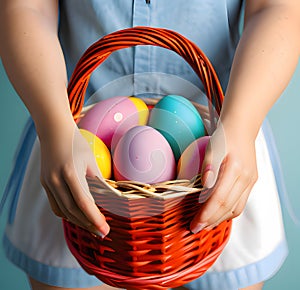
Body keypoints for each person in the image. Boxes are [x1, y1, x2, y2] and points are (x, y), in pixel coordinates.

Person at [0, 0, 299, 289]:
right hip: (73, 149)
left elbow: (276, 7)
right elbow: (27, 6)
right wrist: (54, 125)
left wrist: (241, 125)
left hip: (222, 150)